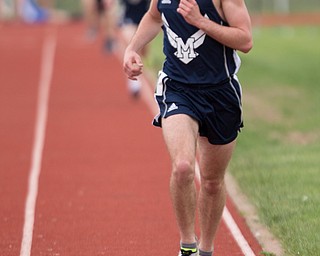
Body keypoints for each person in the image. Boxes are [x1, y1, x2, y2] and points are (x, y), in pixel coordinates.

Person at [123, 0, 252, 255]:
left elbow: (245, 40)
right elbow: (153, 16)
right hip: (178, 88)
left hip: (221, 93)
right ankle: (187, 246)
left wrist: (201, 21)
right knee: (183, 167)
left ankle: (206, 249)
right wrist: (132, 48)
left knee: (212, 182)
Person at [117, 0, 151, 97]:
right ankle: (134, 81)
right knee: (131, 44)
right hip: (128, 17)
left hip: (144, 17)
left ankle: (144, 74)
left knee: (143, 52)